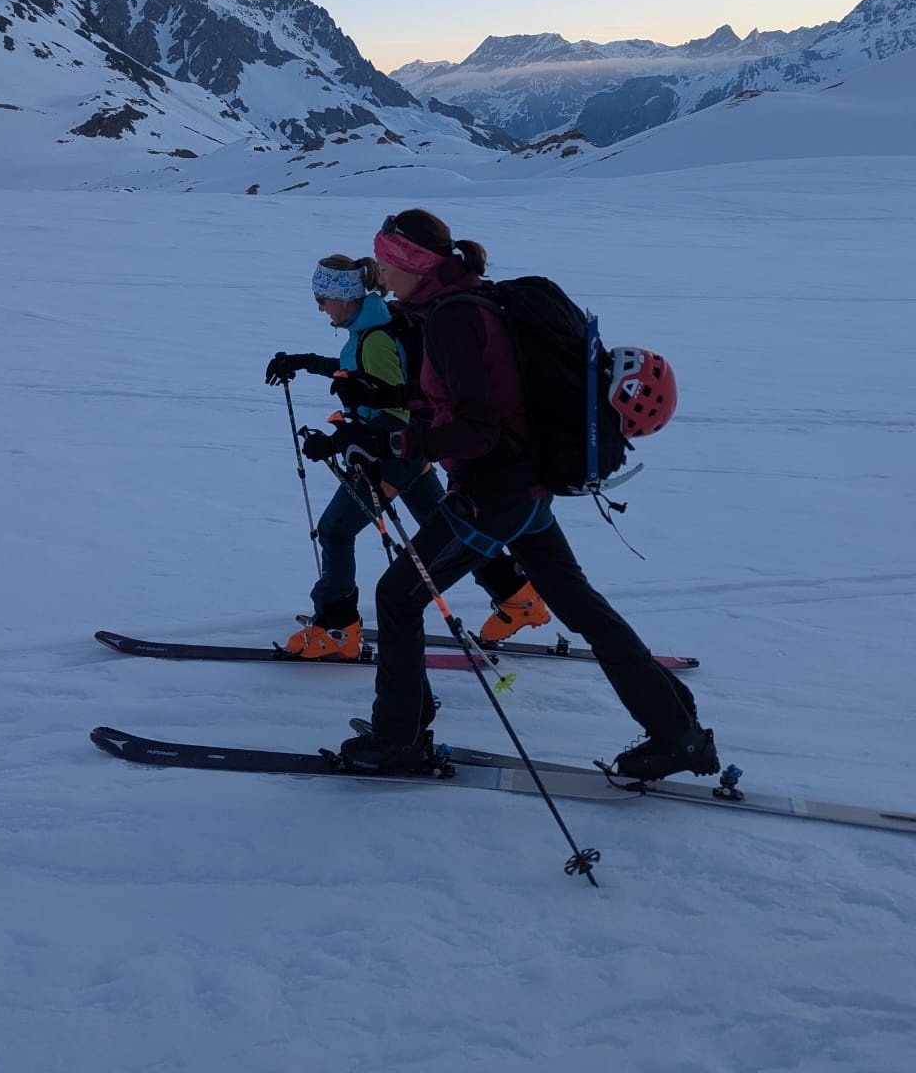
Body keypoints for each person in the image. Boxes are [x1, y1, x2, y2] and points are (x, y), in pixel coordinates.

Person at [331, 209, 719, 783]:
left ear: (414, 264)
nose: (380, 275)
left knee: (396, 597)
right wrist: (382, 417)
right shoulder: (470, 303)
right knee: (583, 607)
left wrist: (395, 439)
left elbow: (478, 426)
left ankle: (398, 738)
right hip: (528, 488)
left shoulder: (453, 320)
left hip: (494, 494)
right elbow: (467, 403)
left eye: (387, 261)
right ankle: (678, 732)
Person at [266, 254, 548, 659]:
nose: (320, 307)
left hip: (390, 458)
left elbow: (395, 409)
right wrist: (306, 363)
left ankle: (338, 629)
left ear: (344, 297)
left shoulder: (374, 339)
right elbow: (362, 375)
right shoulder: (373, 327)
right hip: (410, 459)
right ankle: (517, 596)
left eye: (322, 298)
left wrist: (338, 441)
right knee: (451, 532)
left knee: (335, 531)